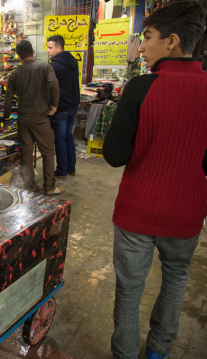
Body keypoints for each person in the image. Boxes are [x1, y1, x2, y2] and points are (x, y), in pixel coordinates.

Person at [103, 2, 207, 359]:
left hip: (138, 210)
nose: (142, 46)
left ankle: (126, 354)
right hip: (188, 211)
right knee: (177, 278)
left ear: (173, 41)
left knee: (130, 291)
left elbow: (114, 156)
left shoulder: (141, 87)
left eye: (147, 37)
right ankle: (159, 350)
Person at [3, 40, 65, 195]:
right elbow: (54, 84)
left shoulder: (14, 73)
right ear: (33, 51)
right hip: (40, 119)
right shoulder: (45, 67)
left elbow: (8, 99)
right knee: (48, 153)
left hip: (23, 119)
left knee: (26, 153)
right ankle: (49, 187)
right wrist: (54, 104)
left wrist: (5, 117)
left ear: (18, 56)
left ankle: (30, 185)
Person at [46, 34, 80, 179]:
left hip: (60, 108)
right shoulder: (73, 62)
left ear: (59, 48)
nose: (48, 51)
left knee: (60, 140)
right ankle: (71, 168)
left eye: (50, 47)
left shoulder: (53, 66)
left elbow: (50, 88)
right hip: (73, 106)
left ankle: (61, 171)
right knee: (68, 137)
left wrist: (51, 104)